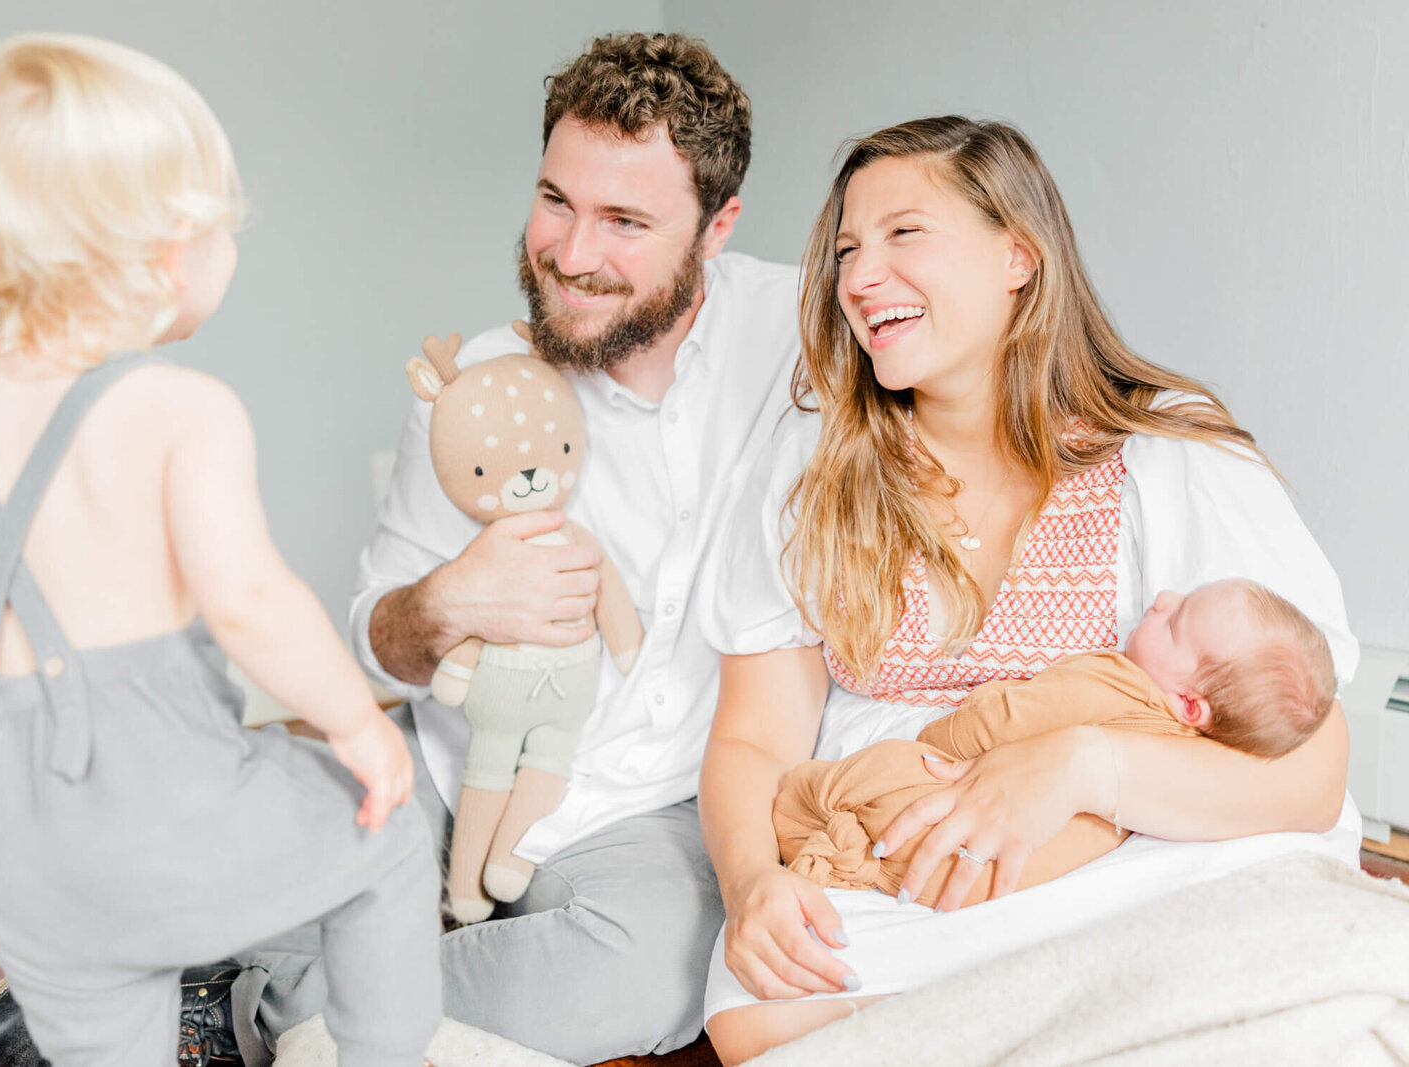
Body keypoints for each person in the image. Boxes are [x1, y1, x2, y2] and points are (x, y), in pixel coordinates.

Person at [693, 116, 1360, 1066]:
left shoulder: (1167, 457)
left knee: (1274, 889)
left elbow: (1312, 770)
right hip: (904, 874)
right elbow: (755, 738)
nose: (858, 278)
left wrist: (1084, 768)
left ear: (1018, 255)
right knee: (751, 1005)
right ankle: (1073, 1016)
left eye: (903, 235)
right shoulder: (813, 472)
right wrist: (753, 884)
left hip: (1122, 854)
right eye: (846, 249)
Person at [0, 34, 440, 1067]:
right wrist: (359, 722)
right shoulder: (181, 409)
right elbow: (249, 595)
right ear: (172, 245)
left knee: (106, 1028)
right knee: (385, 838)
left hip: (20, 846)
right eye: (225, 228)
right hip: (163, 811)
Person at [230, 32, 802, 1066]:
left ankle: (271, 1012)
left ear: (717, 226)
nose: (572, 254)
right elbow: (375, 637)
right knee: (230, 826)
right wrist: (449, 601)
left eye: (625, 221)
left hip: (650, 811)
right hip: (454, 779)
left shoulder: (805, 334)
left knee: (652, 977)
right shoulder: (476, 386)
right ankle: (293, 998)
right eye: (555, 200)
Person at [774, 578, 1338, 906]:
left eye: (1175, 623)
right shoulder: (1185, 752)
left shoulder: (1113, 680)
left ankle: (825, 843)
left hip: (937, 827)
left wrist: (941, 737)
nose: (1162, 598)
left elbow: (1006, 721)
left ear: (1191, 704)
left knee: (818, 788)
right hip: (1008, 878)